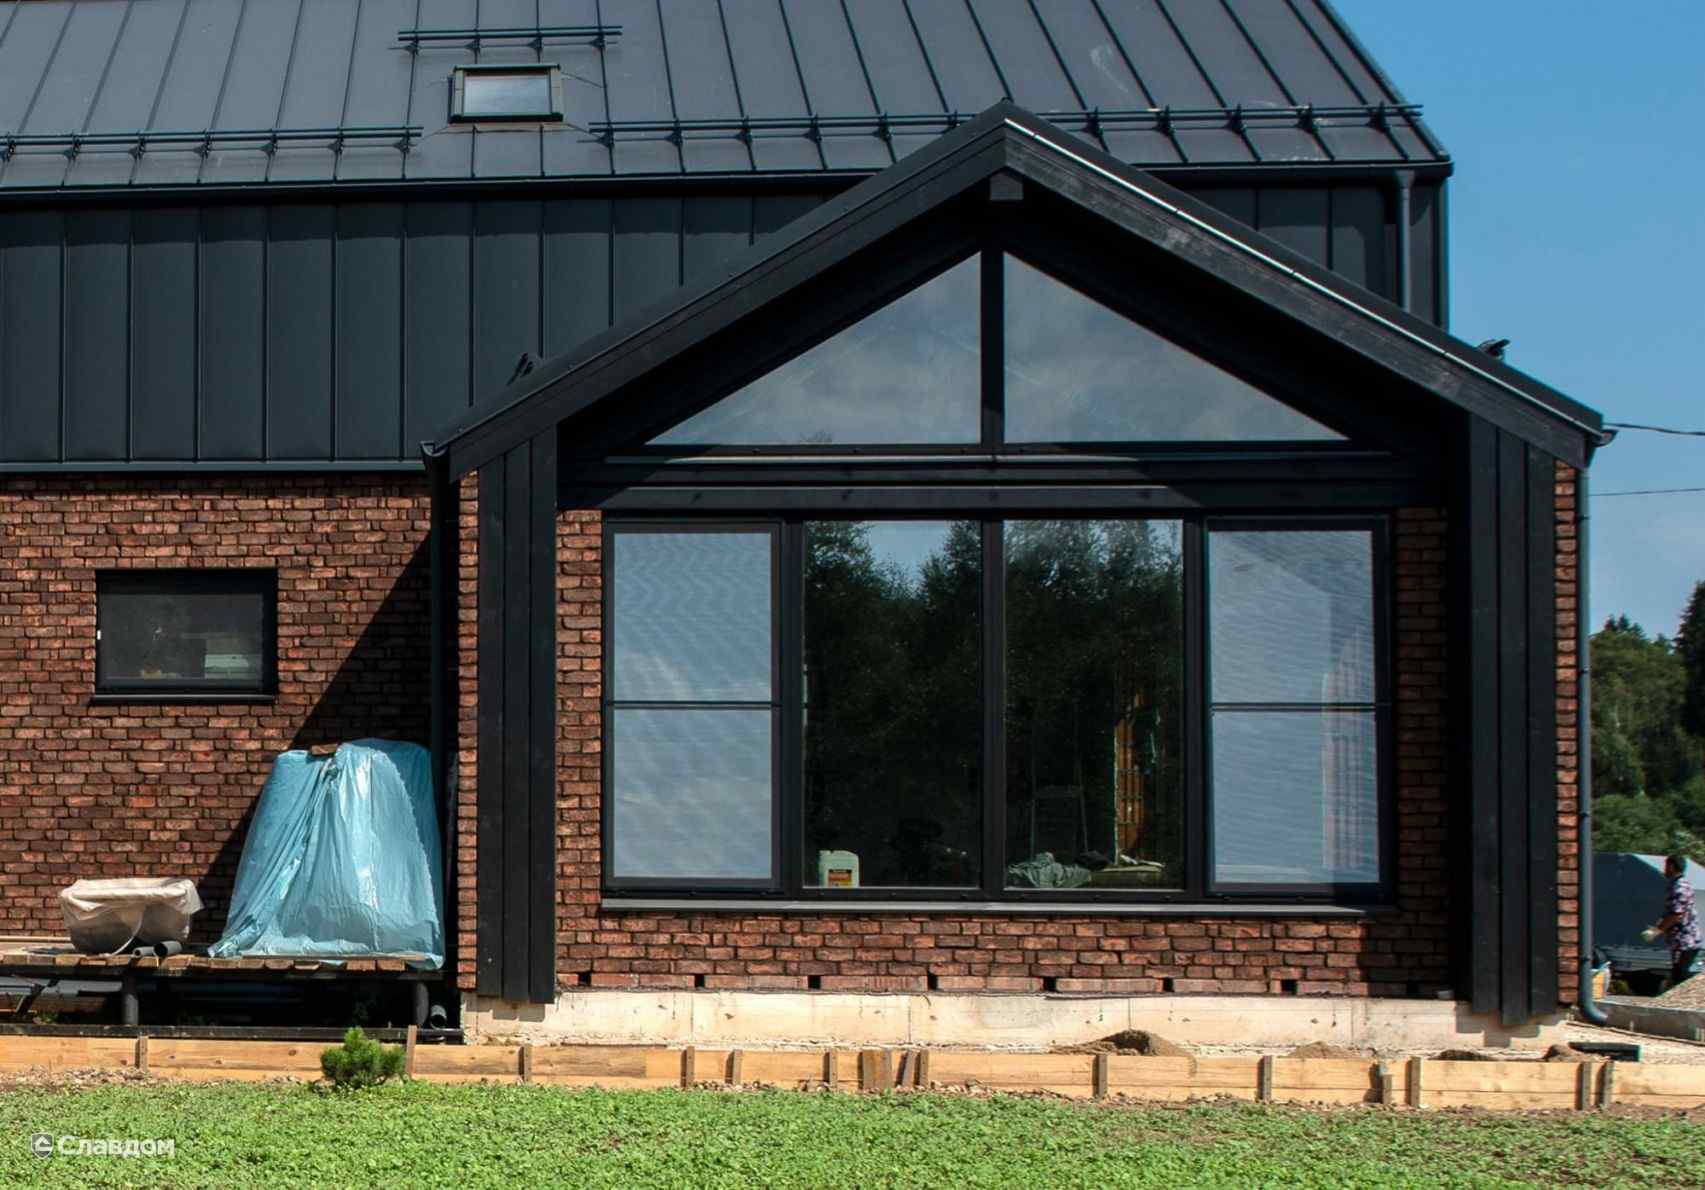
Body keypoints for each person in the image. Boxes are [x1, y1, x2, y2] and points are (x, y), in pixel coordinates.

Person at [1648, 855, 1701, 988]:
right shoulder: (1678, 884)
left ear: (1671, 866)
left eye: (1666, 866)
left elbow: (1676, 915)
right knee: (1678, 975)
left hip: (1685, 941)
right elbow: (1671, 912)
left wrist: (1656, 931)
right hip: (1680, 941)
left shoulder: (1679, 887)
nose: (1664, 870)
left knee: (1680, 977)